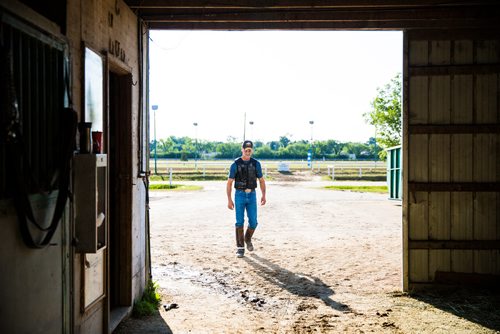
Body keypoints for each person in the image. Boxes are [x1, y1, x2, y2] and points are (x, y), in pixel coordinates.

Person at [227, 140, 266, 258]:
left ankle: (247, 238)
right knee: (239, 221)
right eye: (246, 150)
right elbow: (229, 183)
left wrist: (264, 195)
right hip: (239, 195)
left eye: (250, 150)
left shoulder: (256, 164)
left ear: (252, 150)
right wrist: (229, 199)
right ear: (242, 150)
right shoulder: (235, 164)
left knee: (253, 222)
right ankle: (240, 248)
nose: (248, 152)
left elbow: (261, 180)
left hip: (252, 195)